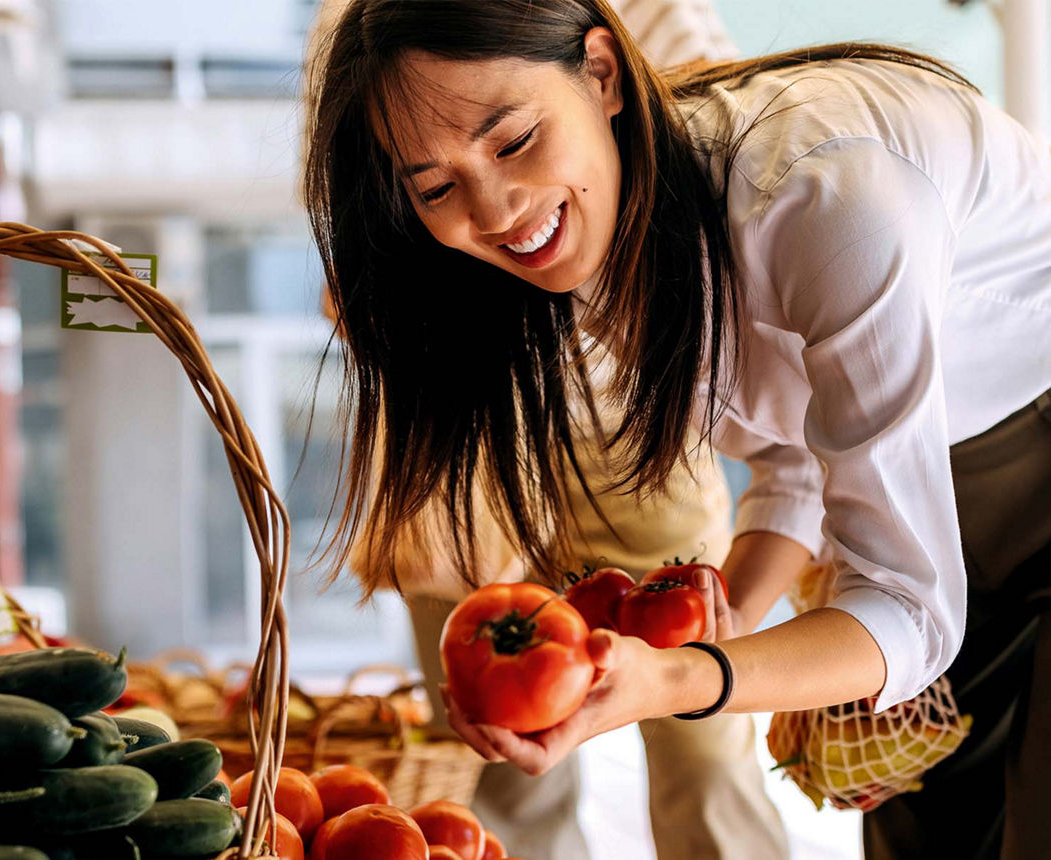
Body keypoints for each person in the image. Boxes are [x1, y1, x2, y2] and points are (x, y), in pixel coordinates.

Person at [302, 2, 1051, 859]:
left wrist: (679, 679)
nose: (497, 207)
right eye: (436, 187)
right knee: (923, 839)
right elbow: (796, 465)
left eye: (512, 142)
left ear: (602, 72)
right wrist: (703, 623)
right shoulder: (584, 241)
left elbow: (911, 611)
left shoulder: (825, 198)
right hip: (922, 484)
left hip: (1030, 442)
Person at [303, 2, 788, 857]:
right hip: (470, 433)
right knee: (505, 761)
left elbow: (712, 152)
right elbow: (375, 242)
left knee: (703, 735)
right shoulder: (354, 31)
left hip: (641, 418)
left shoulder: (643, 14)